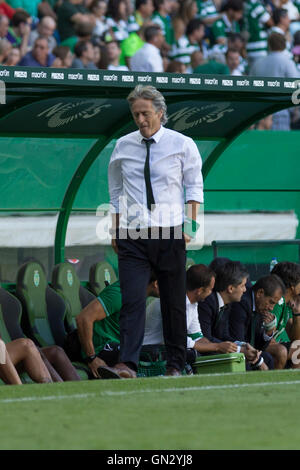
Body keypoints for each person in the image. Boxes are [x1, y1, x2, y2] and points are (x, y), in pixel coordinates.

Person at [106, 84, 203, 378]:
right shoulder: (123, 145)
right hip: (133, 236)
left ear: (160, 112)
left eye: (145, 113)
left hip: (169, 233)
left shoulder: (182, 143)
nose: (140, 119)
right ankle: (128, 364)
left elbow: (194, 187)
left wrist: (191, 226)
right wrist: (114, 230)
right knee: (132, 299)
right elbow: (115, 190)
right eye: (136, 114)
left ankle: (175, 364)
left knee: (173, 302)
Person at [144, 264, 260, 366]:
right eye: (210, 290)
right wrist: (218, 347)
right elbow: (180, 340)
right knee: (193, 353)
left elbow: (198, 337)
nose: (211, 293)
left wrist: (234, 349)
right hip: (148, 351)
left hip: (166, 349)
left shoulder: (193, 303)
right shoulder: (175, 303)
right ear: (199, 290)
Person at [63, 274, 159, 379]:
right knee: (142, 355)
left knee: (156, 353)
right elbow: (83, 318)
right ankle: (121, 372)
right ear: (156, 284)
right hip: (100, 348)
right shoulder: (120, 293)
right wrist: (91, 358)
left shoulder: (140, 296)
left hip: (117, 346)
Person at [198, 261, 263, 368]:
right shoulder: (207, 301)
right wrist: (239, 350)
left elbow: (224, 335)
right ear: (231, 288)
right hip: (203, 351)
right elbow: (206, 338)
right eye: (242, 286)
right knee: (242, 360)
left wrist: (243, 345)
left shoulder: (227, 304)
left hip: (215, 348)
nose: (245, 290)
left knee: (263, 358)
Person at [229, 274, 286, 370]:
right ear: (260, 293)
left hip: (247, 349)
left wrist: (268, 331)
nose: (271, 308)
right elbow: (239, 340)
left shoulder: (259, 305)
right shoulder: (242, 303)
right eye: (271, 302)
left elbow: (260, 347)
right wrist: (259, 362)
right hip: (235, 348)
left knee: (268, 358)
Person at [250, 33, 300, 130]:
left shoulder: (258, 63)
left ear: (269, 44)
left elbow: (250, 87)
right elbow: (296, 86)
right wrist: (295, 110)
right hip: (281, 112)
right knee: (280, 144)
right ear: (284, 44)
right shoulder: (287, 62)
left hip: (259, 113)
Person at [270, 261, 300, 368]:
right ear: (292, 287)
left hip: (277, 347)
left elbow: (296, 339)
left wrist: (296, 313)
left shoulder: (288, 304)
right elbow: (267, 338)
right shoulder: (276, 304)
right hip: (266, 348)